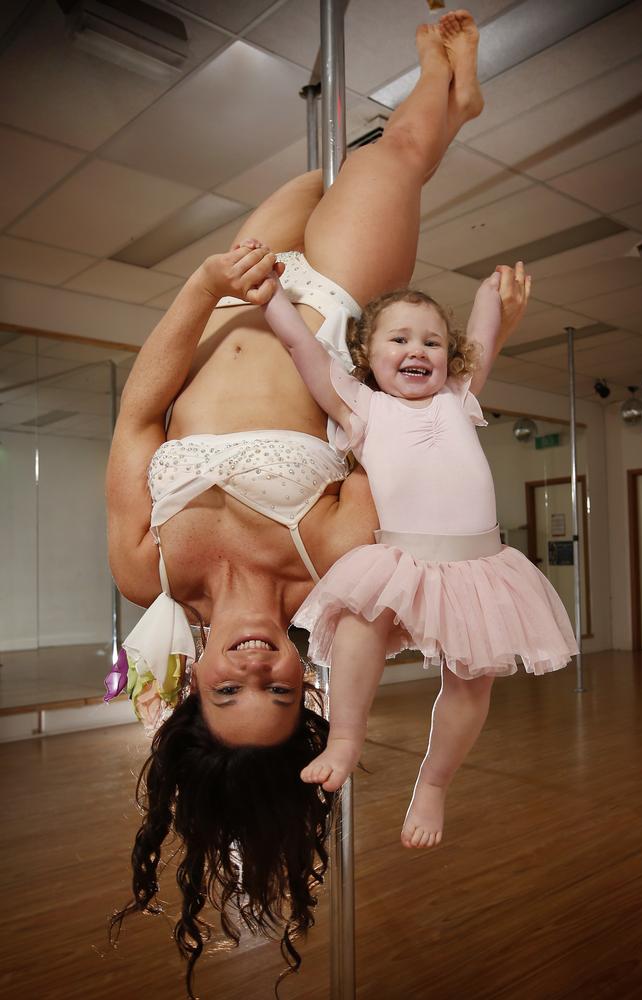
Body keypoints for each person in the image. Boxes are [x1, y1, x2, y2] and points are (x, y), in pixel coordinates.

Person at [105, 14, 529, 997]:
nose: (256, 670)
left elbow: (136, 415)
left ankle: (444, 106)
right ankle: (452, 97)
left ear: (191, 688)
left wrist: (206, 282)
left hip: (227, 298)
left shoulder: (150, 569)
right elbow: (400, 441)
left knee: (312, 176)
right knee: (395, 155)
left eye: (226, 692)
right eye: (280, 693)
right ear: (306, 683)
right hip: (331, 301)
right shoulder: (336, 567)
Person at [261, 269, 579, 854]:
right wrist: (270, 298)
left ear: (448, 358)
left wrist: (488, 299)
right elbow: (299, 345)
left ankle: (433, 784)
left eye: (432, 342)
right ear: (367, 354)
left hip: (481, 564)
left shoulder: (459, 397)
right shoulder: (362, 408)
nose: (417, 350)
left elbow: (478, 345)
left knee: (472, 684)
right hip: (402, 557)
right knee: (359, 620)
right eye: (400, 339)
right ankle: (346, 738)